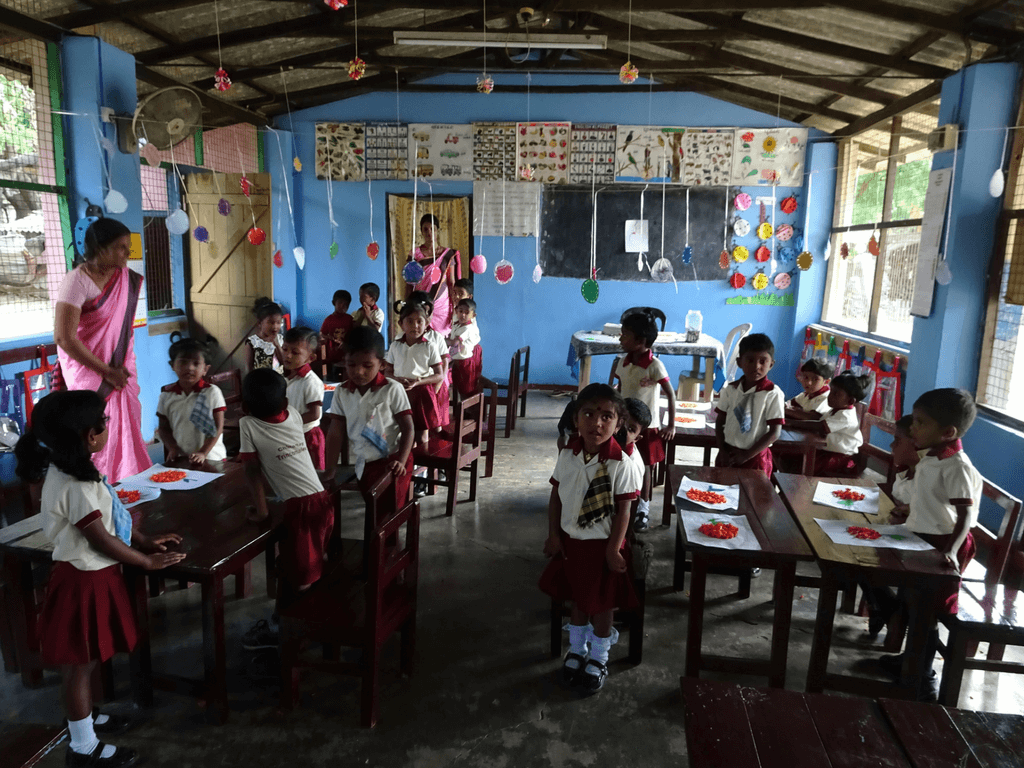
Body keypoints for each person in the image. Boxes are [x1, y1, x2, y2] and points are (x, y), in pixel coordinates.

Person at [14, 390, 185, 768]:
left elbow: (112, 516)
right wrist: (145, 561)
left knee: (86, 662)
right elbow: (101, 538)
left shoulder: (76, 469)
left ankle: (84, 718)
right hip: (83, 583)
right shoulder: (74, 485)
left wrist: (143, 539)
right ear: (89, 435)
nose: (108, 426)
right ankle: (83, 747)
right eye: (104, 422)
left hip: (93, 576)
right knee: (78, 665)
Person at [875, 388, 982, 701]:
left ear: (947, 432)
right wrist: (912, 510)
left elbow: (965, 515)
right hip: (923, 537)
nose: (913, 429)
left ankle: (923, 677)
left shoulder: (956, 465)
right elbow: (937, 501)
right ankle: (910, 661)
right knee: (913, 601)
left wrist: (949, 550)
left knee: (928, 610)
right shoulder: (933, 458)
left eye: (921, 423)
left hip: (944, 545)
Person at [539, 384, 642, 694]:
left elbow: (625, 510)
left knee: (602, 604)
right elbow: (556, 495)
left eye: (606, 417)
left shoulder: (620, 463)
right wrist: (554, 534)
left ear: (619, 423)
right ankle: (577, 650)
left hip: (603, 546)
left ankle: (599, 657)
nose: (596, 424)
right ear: (575, 418)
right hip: (571, 542)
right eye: (588, 414)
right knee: (578, 599)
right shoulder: (568, 455)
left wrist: (613, 549)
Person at [238, 369, 334, 652]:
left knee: (299, 578)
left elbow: (252, 471)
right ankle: (300, 623)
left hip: (302, 509)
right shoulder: (292, 413)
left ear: (245, 405)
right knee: (310, 563)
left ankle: (289, 631)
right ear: (284, 399)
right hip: (322, 501)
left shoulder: (247, 425)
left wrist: (262, 510)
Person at [53, 217, 151, 483]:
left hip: (121, 368)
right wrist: (106, 371)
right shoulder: (76, 281)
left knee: (126, 428)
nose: (127, 253)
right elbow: (64, 338)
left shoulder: (124, 279)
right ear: (100, 248)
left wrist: (117, 370)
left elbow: (123, 330)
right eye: (121, 247)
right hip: (90, 371)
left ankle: (129, 487)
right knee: (94, 430)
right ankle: (96, 491)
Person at [323, 326, 415, 520]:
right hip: (364, 463)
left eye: (367, 365)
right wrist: (329, 471)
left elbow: (408, 428)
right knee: (374, 514)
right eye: (351, 365)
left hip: (393, 462)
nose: (359, 372)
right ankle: (379, 548)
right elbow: (335, 433)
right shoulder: (342, 392)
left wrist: (402, 459)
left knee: (387, 516)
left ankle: (388, 548)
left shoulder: (392, 389)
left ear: (381, 364)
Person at [609, 310, 676, 530]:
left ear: (640, 341)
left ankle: (643, 510)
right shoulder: (622, 363)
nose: (620, 338)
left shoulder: (654, 365)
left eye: (625, 335)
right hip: (623, 424)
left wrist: (671, 424)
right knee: (620, 461)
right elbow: (618, 387)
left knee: (645, 468)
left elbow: (670, 393)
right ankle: (619, 502)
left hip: (648, 426)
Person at [714, 333, 784, 475]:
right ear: (739, 362)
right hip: (728, 454)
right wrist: (722, 450)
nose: (756, 366)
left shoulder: (772, 393)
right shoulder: (731, 390)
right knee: (722, 492)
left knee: (751, 495)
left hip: (755, 458)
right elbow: (720, 421)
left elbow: (775, 432)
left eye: (763, 361)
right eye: (750, 360)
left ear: (771, 364)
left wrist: (746, 456)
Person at [156, 337, 226, 464]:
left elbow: (218, 427)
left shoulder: (212, 392)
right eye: (183, 362)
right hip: (183, 458)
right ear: (172, 365)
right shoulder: (166, 396)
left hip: (212, 458)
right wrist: (173, 448)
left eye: (196, 363)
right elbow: (163, 429)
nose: (189, 368)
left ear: (205, 369)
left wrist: (203, 452)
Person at [384, 302, 443, 448]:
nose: (415, 326)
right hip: (400, 393)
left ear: (426, 323)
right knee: (403, 434)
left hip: (422, 394)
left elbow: (439, 375)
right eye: (409, 321)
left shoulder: (430, 346)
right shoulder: (395, 346)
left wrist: (418, 381)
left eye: (419, 321)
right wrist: (397, 379)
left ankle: (423, 469)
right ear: (401, 324)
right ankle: (408, 465)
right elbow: (387, 371)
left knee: (422, 437)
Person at [408, 213, 461, 337]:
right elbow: (410, 283)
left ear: (437, 230)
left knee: (440, 340)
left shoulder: (447, 254)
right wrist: (408, 304)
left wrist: (456, 306)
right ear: (421, 231)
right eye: (425, 229)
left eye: (432, 229)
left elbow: (451, 282)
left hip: (442, 303)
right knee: (422, 337)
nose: (429, 232)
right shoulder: (415, 254)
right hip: (421, 302)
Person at [282, 326, 326, 470]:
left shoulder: (311, 382)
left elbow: (314, 414)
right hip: (290, 434)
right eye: (285, 349)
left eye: (295, 352)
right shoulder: (285, 377)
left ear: (310, 358)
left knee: (312, 476)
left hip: (308, 436)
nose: (288, 356)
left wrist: (288, 423)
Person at [617, 398, 651, 518]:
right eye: (621, 421)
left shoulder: (632, 466)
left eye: (631, 429)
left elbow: (627, 512)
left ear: (636, 439)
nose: (622, 429)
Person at [449, 298, 482, 399]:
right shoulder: (458, 323)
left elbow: (455, 342)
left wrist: (442, 340)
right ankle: (464, 411)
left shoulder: (467, 328)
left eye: (466, 312)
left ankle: (468, 412)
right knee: (460, 387)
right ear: (456, 311)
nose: (463, 315)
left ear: (473, 316)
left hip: (465, 362)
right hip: (457, 359)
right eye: (460, 311)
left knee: (466, 389)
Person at [245, 297, 284, 374]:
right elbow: (248, 368)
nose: (275, 327)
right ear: (259, 323)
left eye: (278, 322)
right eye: (271, 322)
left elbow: (284, 362)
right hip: (260, 383)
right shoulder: (252, 342)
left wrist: (277, 345)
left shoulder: (280, 339)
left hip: (278, 382)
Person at [320, 289, 353, 376]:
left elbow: (353, 335)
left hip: (346, 355)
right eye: (340, 303)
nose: (343, 306)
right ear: (334, 303)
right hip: (332, 354)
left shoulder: (350, 319)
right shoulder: (329, 320)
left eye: (346, 304)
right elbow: (322, 334)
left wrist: (345, 342)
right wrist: (333, 339)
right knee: (332, 377)